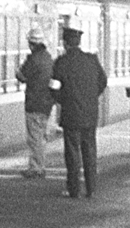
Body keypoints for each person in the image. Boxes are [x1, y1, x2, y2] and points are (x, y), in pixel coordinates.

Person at [51, 19, 107, 198]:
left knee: (73, 153)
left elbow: (53, 88)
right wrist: (91, 98)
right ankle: (91, 189)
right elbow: (102, 82)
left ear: (65, 44)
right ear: (79, 42)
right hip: (90, 114)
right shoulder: (92, 60)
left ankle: (73, 189)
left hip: (71, 115)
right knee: (90, 151)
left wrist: (63, 101)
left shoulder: (61, 63)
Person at [15, 27, 55, 178]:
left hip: (34, 103)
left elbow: (21, 76)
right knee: (41, 136)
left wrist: (18, 72)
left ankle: (36, 168)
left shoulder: (33, 59)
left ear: (31, 43)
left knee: (35, 138)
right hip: (46, 103)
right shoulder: (48, 57)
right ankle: (39, 165)